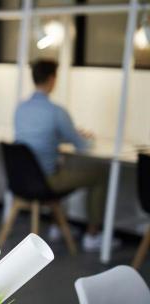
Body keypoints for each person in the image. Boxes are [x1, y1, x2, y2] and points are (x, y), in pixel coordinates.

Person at [14, 59, 118, 252]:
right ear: (52, 79)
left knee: (62, 166)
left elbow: (38, 139)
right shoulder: (56, 112)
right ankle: (93, 235)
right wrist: (86, 138)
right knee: (100, 174)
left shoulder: (20, 108)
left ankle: (57, 226)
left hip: (23, 180)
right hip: (46, 181)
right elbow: (82, 146)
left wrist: (61, 138)